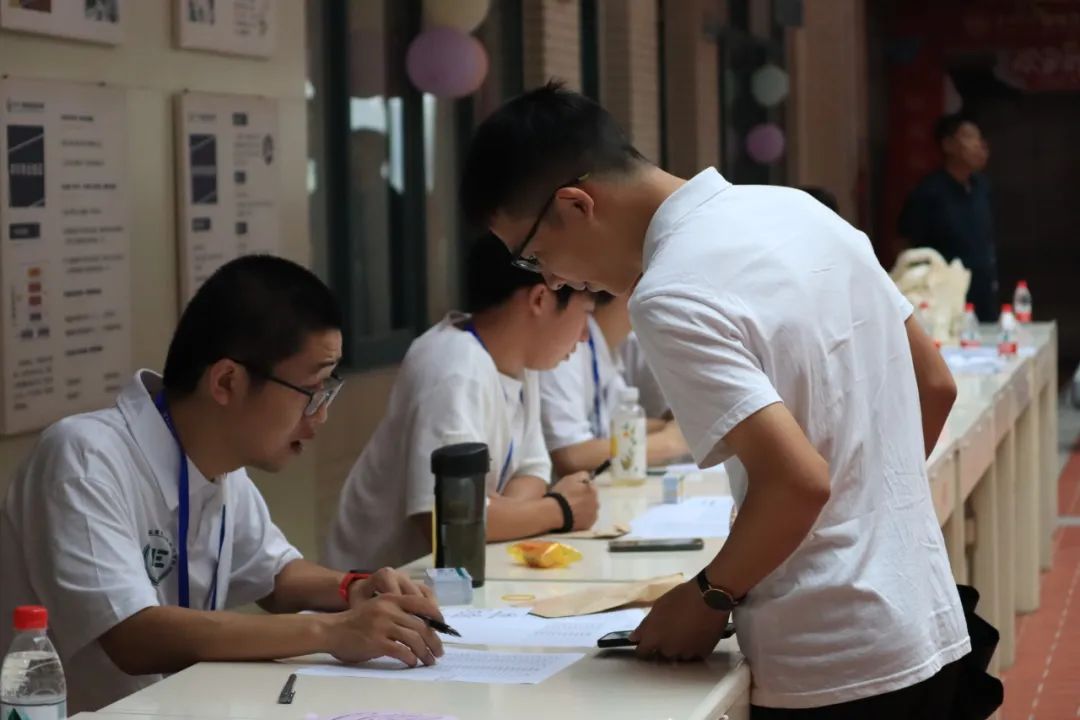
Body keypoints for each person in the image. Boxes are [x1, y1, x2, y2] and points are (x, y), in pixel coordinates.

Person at [461, 82, 969, 718]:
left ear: (576, 205)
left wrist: (708, 596)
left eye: (535, 256)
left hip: (828, 655)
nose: (554, 279)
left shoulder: (669, 291)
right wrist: (868, 514)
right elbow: (935, 386)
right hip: (925, 616)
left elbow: (797, 482)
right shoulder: (798, 209)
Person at [0, 256, 446, 713]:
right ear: (227, 381)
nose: (321, 415)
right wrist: (332, 631)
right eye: (312, 392)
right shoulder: (84, 459)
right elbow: (134, 635)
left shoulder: (219, 465)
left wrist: (352, 588)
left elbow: (276, 576)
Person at [324, 235, 599, 572]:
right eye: (585, 314)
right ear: (540, 299)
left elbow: (531, 472)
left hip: (449, 576)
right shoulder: (454, 367)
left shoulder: (522, 363)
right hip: (377, 587)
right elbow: (446, 521)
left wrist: (496, 515)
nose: (585, 336)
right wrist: (559, 510)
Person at [538, 290, 688, 476]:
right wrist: (670, 442)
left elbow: (619, 427)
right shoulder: (568, 344)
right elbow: (571, 455)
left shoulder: (606, 345)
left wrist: (671, 428)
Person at [899, 114, 997, 320]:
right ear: (948, 145)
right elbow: (905, 244)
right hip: (944, 298)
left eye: (979, 138)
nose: (978, 144)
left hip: (983, 291)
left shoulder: (981, 186)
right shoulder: (929, 192)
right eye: (969, 137)